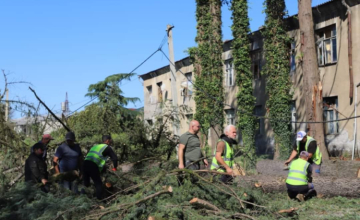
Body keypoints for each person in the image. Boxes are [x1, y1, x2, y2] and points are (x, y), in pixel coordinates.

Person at [82, 135, 118, 200]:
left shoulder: (95, 146)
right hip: (93, 165)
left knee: (86, 184)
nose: (111, 142)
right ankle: (99, 201)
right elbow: (115, 158)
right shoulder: (107, 147)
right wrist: (114, 168)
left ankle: (82, 199)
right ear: (108, 140)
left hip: (85, 164)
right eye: (110, 140)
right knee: (98, 184)